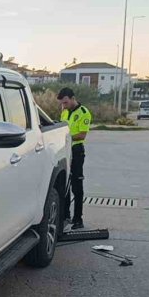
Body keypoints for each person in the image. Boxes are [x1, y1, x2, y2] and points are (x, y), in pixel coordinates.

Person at [57, 88, 92, 229]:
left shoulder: (84, 113)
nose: (64, 105)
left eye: (65, 102)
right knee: (64, 185)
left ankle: (78, 218)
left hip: (76, 150)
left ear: (72, 98)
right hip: (65, 150)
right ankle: (65, 215)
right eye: (62, 103)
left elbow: (82, 135)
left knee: (77, 186)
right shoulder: (64, 111)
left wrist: (66, 137)